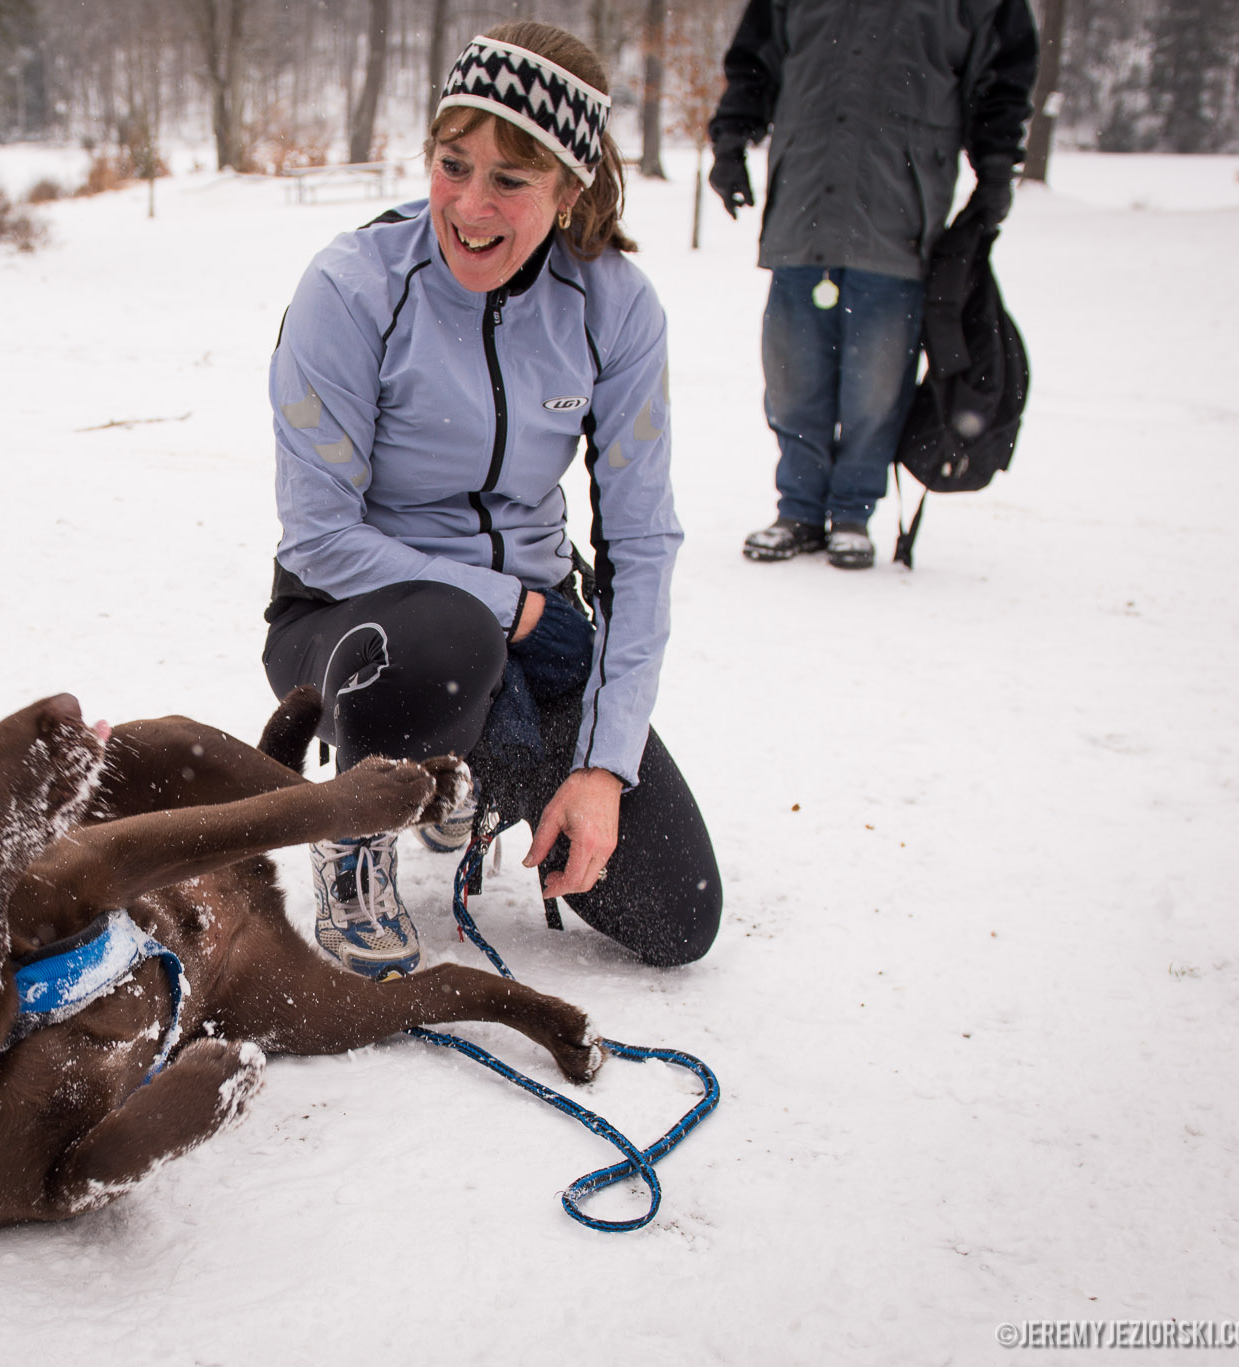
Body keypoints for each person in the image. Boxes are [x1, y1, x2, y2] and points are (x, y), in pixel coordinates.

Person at [263, 21, 721, 979]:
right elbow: (318, 536)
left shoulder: (614, 307)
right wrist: (507, 605)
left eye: (510, 180)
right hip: (357, 616)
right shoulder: (352, 290)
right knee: (450, 637)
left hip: (541, 629)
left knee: (677, 914)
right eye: (452, 162)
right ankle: (360, 831)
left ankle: (466, 770)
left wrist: (603, 766)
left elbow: (643, 541)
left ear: (570, 191)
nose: (470, 205)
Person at [709, 0, 1039, 570]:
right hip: (803, 212)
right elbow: (754, 61)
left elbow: (1004, 82)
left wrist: (997, 172)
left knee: (876, 390)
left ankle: (853, 513)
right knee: (793, 382)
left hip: (899, 222)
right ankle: (801, 511)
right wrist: (731, 140)